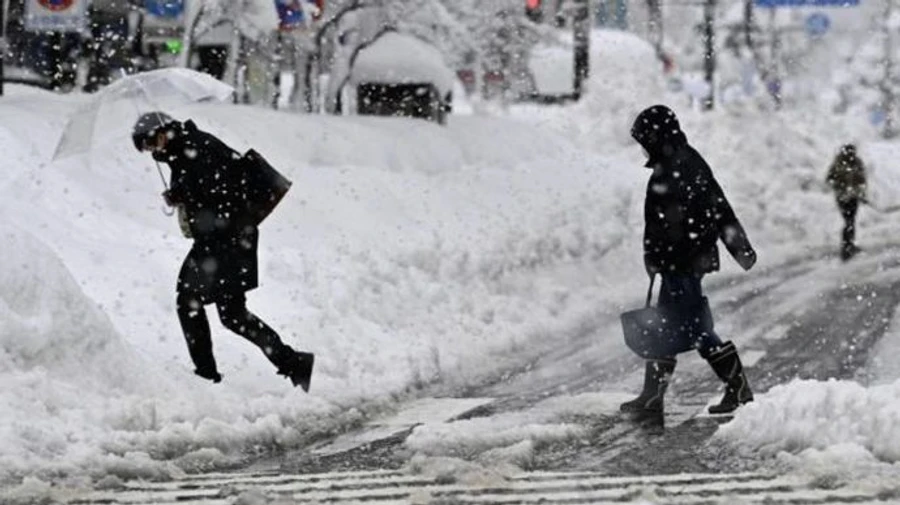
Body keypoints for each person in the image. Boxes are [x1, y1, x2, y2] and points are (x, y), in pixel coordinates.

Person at [132, 112, 314, 391]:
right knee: (232, 314)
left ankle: (205, 376)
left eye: (151, 143)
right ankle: (293, 362)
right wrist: (181, 195)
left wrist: (183, 195)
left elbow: (222, 192)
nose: (152, 151)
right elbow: (206, 190)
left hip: (226, 238)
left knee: (189, 300)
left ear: (163, 131)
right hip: (226, 237)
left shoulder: (198, 148)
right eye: (146, 148)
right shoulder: (182, 150)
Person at [623, 105, 757, 416]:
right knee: (666, 325)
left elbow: (716, 208)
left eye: (645, 139)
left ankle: (738, 388)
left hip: (683, 262)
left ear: (657, 136)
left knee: (696, 327)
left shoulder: (685, 165)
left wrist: (739, 247)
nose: (642, 146)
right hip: (675, 262)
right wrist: (652, 255)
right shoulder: (673, 163)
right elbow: (659, 223)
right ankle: (652, 396)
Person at [826, 144, 867, 261]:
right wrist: (842, 187)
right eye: (849, 152)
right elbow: (830, 179)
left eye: (852, 153)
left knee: (851, 221)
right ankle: (846, 247)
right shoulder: (838, 164)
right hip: (843, 198)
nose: (851, 155)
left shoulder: (857, 163)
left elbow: (861, 179)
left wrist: (861, 193)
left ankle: (849, 245)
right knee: (848, 221)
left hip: (854, 197)